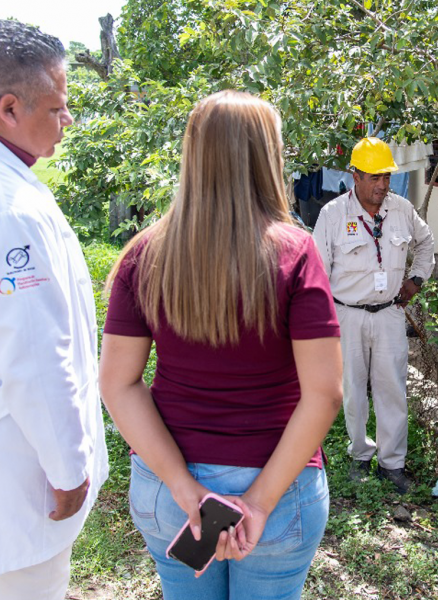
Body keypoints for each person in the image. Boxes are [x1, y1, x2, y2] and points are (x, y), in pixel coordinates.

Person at [99, 91, 343, 600]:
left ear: (193, 154)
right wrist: (256, 502)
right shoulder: (295, 253)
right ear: (266, 157)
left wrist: (186, 491)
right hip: (279, 492)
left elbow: (119, 384)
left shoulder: (142, 255)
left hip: (170, 490)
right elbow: (324, 394)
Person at [0, 20, 109, 599]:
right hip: (18, 488)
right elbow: (36, 356)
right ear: (10, 108)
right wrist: (68, 469)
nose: (68, 120)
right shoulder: (12, 209)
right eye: (59, 107)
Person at [312, 137, 435, 494]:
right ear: (356, 176)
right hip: (347, 315)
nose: (382, 185)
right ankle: (360, 455)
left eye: (386, 176)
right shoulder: (333, 214)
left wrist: (417, 278)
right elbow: (318, 270)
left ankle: (392, 463)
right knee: (353, 389)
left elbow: (426, 244)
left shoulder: (401, 209)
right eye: (374, 177)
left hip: (389, 315)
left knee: (392, 388)